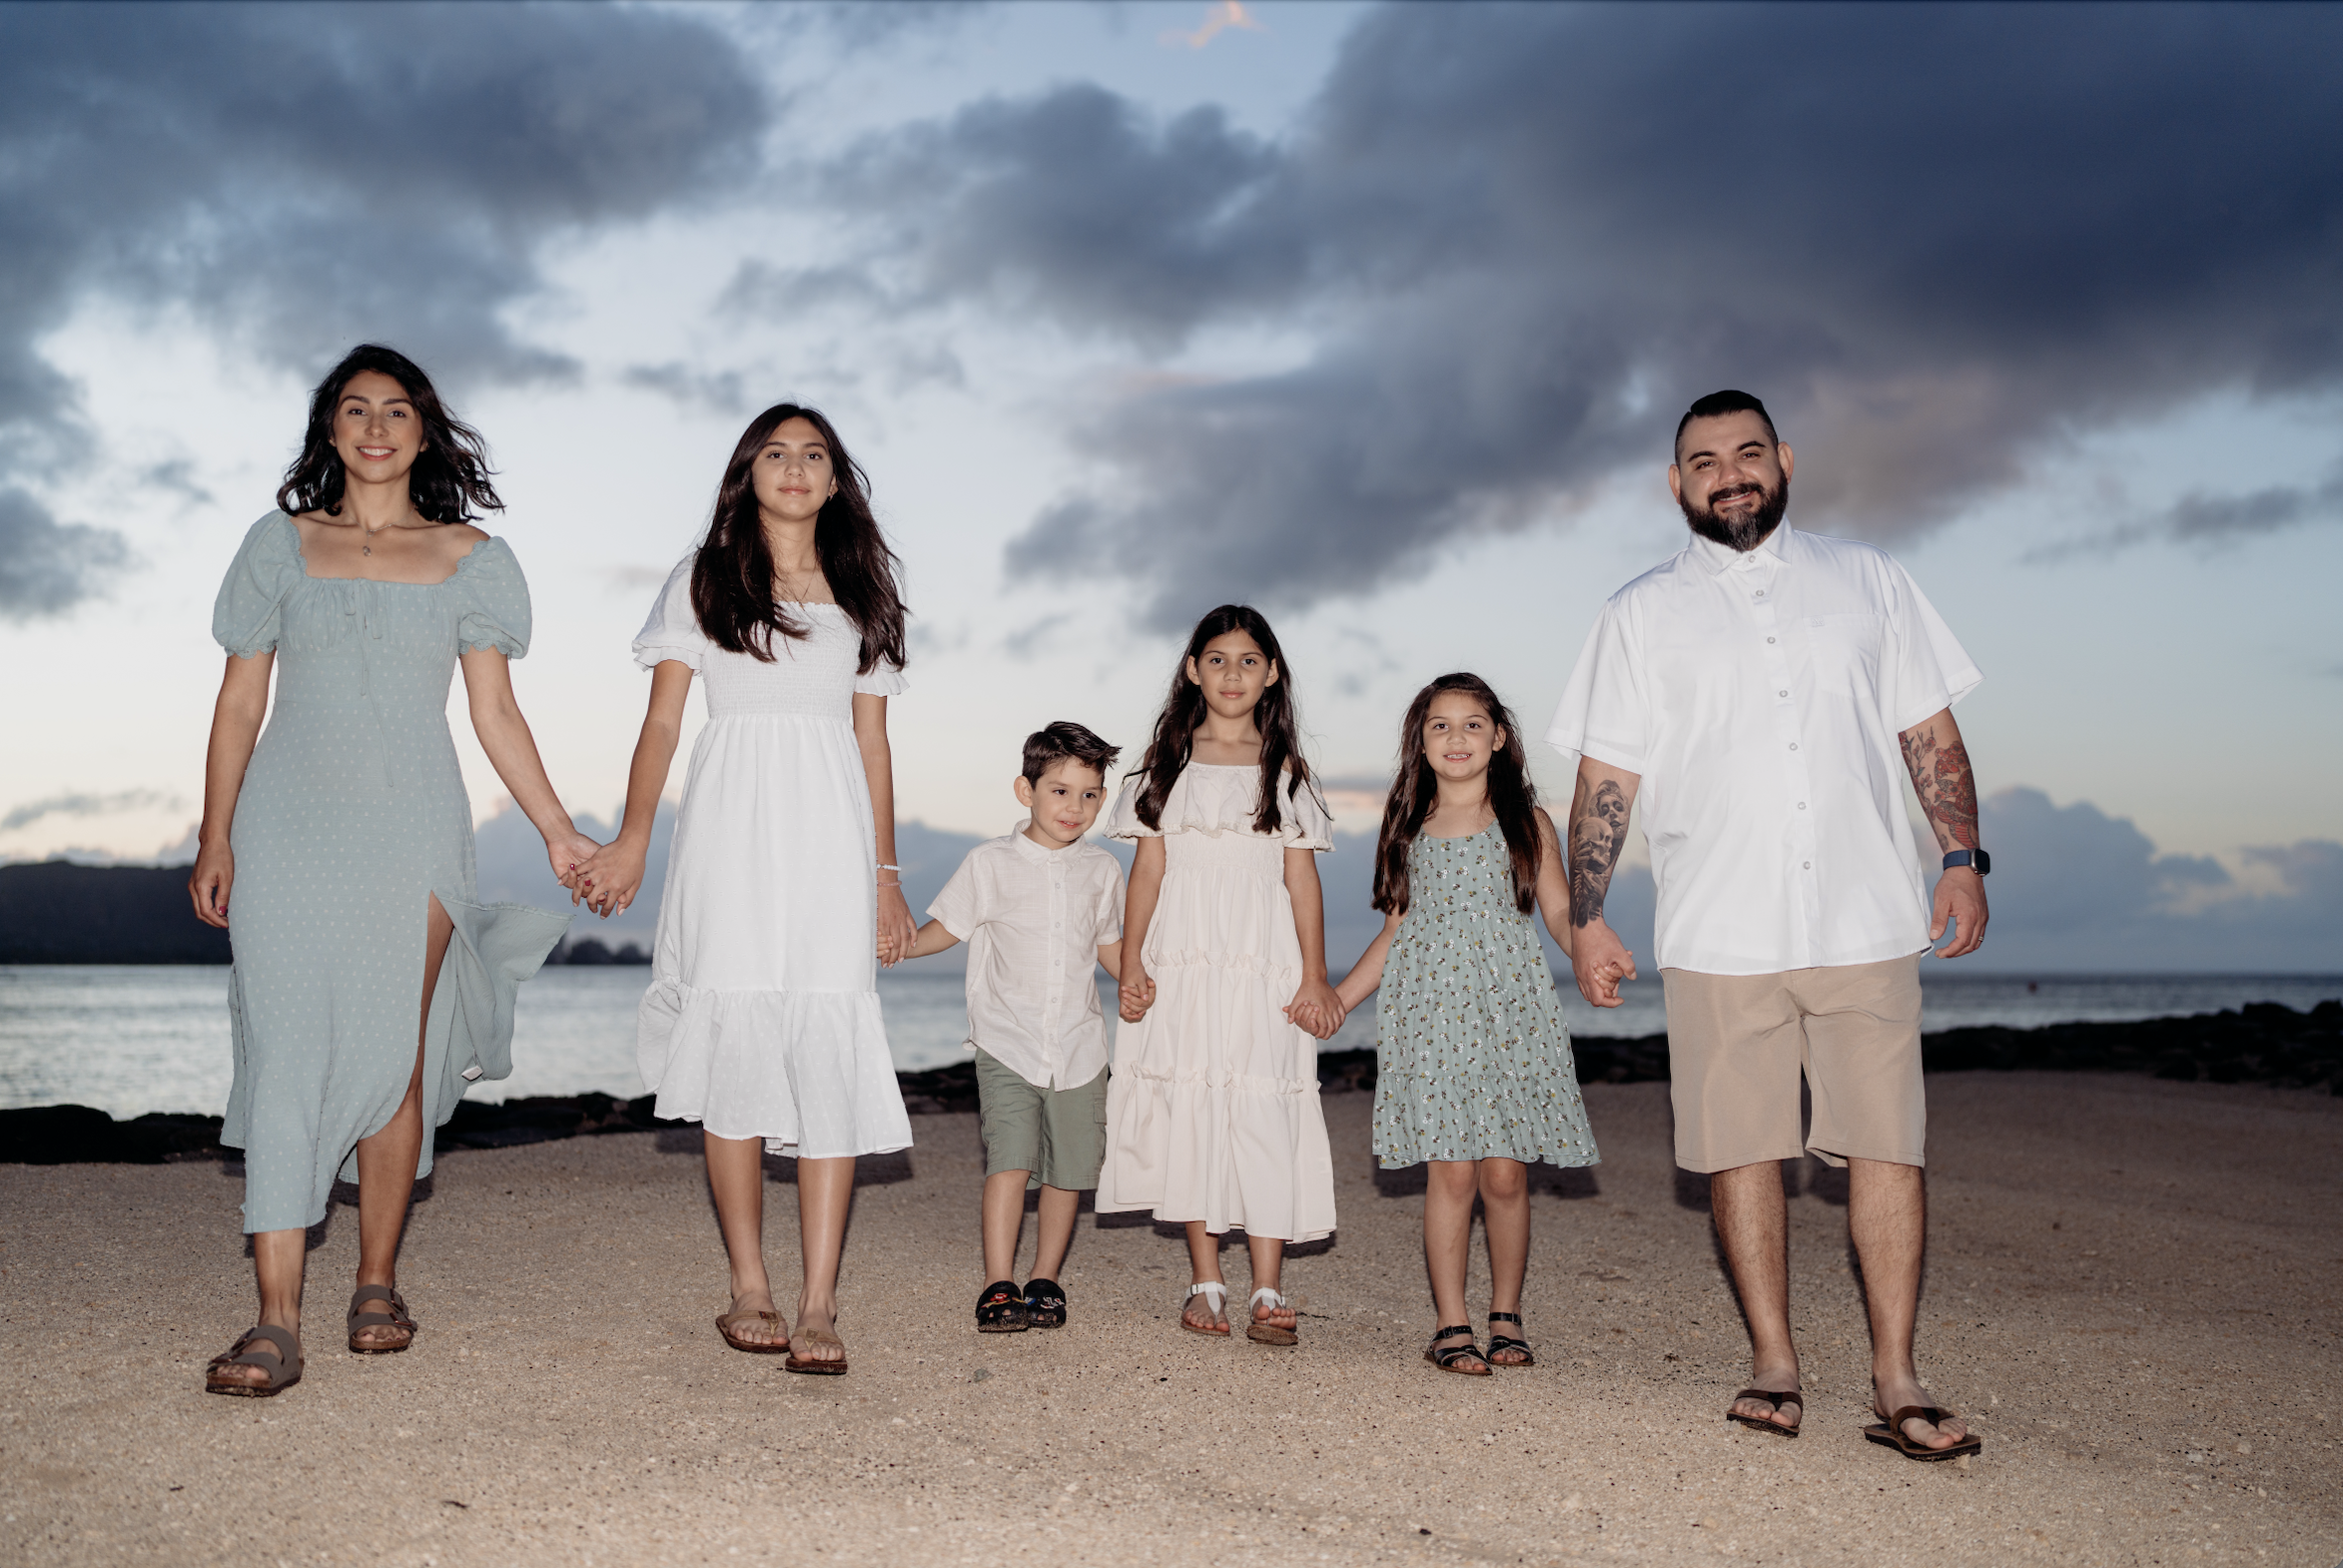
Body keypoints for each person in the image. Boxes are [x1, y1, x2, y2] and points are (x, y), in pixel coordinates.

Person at [1548, 390, 1988, 1460]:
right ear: (1676, 482)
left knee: (1888, 1147)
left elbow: (1928, 729)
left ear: (1784, 460)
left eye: (1748, 452)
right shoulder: (1638, 613)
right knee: (1741, 1150)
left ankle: (1897, 1375)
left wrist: (1964, 859)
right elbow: (1606, 778)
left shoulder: (1868, 580)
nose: (1729, 473)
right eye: (1704, 460)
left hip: (1866, 914)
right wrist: (1589, 918)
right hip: (1718, 927)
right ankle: (1774, 1362)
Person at [189, 344, 595, 1396]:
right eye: (356, 408)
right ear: (330, 428)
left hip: (414, 824)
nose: (376, 426)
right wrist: (215, 833)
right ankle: (276, 1318)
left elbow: (495, 713)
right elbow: (239, 704)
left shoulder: (472, 557)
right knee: (284, 1051)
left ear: (425, 430)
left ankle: (375, 1279)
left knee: (397, 1052)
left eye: (398, 410)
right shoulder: (278, 545)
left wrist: (557, 831)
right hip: (285, 826)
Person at [576, 403, 913, 1377]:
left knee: (826, 1030)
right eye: (777, 452)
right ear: (747, 472)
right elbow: (661, 727)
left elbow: (874, 742)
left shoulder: (861, 589)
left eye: (814, 454)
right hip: (729, 826)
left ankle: (817, 1299)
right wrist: (634, 836)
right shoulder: (705, 578)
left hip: (828, 835)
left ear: (837, 479)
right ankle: (750, 1284)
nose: (796, 468)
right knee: (731, 1036)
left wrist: (886, 878)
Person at [1334, 673, 1598, 1375]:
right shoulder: (1409, 828)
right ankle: (1451, 1322)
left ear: (1500, 737)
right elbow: (1396, 932)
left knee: (1506, 1177)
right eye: (1440, 726)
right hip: (1431, 1021)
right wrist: (1340, 999)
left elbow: (1564, 918)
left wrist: (1594, 953)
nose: (1457, 737)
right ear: (1419, 743)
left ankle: (1506, 1313)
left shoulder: (1527, 822)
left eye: (1472, 723)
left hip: (1511, 1016)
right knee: (1451, 1175)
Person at [1101, 605, 1343, 1346]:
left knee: (1262, 1104)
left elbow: (1302, 882)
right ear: (1191, 670)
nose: (1231, 674)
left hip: (1262, 961)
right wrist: (1132, 961)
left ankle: (1268, 1287)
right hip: (1182, 957)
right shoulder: (1161, 768)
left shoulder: (1287, 771)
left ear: (1271, 673)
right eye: (1216, 659)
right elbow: (1147, 870)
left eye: (1247, 660)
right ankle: (1206, 1281)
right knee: (1191, 1105)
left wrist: (1315, 977)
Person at [899, 722, 1128, 1333]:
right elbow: (945, 929)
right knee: (1010, 1160)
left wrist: (1145, 980)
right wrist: (893, 947)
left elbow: (1110, 947)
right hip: (1006, 1043)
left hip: (1080, 1047)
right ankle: (998, 1283)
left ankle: (1045, 1277)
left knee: (1070, 1170)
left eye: (1089, 794)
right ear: (1025, 791)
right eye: (1059, 791)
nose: (1074, 807)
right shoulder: (989, 863)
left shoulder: (1103, 870)